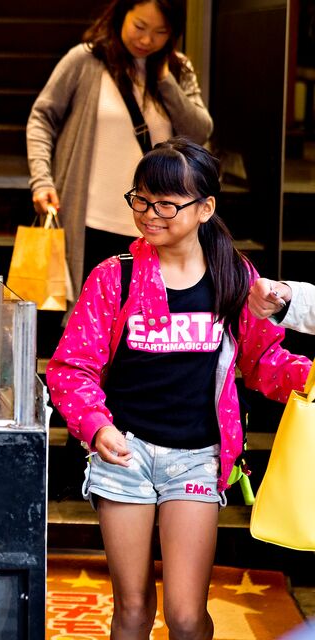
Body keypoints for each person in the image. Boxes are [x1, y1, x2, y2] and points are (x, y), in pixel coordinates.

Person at [47, 139, 309, 640]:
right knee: (133, 610)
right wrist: (95, 424)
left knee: (188, 618)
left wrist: (308, 378)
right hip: (126, 454)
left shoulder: (236, 278)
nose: (150, 214)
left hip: (197, 456)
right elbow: (71, 367)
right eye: (141, 200)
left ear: (205, 208)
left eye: (167, 204)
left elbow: (261, 362)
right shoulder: (113, 277)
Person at [27, 0, 212, 297]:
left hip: (155, 224)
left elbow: (200, 132)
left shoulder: (178, 70)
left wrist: (164, 79)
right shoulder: (85, 60)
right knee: (88, 320)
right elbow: (41, 118)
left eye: (160, 32)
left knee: (141, 321)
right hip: (88, 221)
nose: (146, 40)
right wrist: (41, 180)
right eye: (139, 26)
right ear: (120, 16)